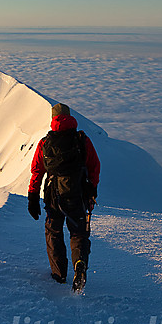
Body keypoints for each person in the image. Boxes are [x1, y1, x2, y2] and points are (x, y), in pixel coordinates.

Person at [28, 103, 100, 292]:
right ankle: (80, 264)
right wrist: (92, 190)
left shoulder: (45, 143)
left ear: (53, 119)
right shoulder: (82, 139)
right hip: (77, 195)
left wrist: (33, 196)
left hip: (53, 196)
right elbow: (94, 166)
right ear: (70, 117)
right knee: (78, 233)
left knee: (53, 232)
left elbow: (37, 171)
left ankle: (58, 274)